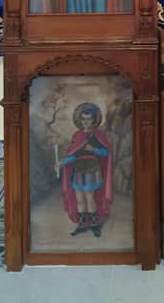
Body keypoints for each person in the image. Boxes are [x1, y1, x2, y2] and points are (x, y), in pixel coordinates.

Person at [57, 102, 113, 237]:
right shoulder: (77, 135)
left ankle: (94, 225)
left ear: (94, 120)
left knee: (89, 197)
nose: (85, 122)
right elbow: (74, 155)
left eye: (88, 119)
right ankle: (82, 225)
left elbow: (106, 153)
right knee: (80, 198)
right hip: (78, 170)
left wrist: (93, 149)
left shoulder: (99, 135)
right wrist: (62, 163)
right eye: (83, 119)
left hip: (92, 170)